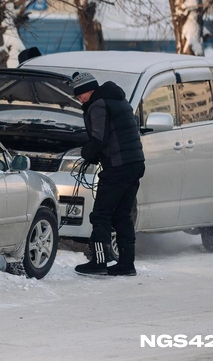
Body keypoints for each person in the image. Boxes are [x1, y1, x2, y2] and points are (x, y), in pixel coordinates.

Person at [71, 72, 145, 276]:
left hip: (118, 167)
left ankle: (99, 262)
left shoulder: (98, 104)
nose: (79, 100)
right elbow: (115, 135)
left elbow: (98, 137)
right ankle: (127, 264)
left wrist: (87, 153)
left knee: (101, 215)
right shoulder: (119, 101)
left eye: (80, 96)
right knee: (122, 215)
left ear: (89, 90)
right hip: (135, 164)